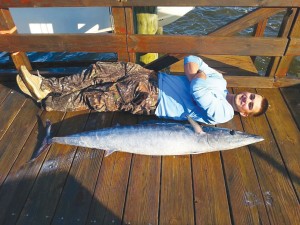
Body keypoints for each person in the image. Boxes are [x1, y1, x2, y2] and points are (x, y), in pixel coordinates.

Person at [16, 55, 268, 125]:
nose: (247, 99)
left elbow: (200, 90)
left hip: (152, 99)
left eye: (249, 104)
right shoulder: (222, 83)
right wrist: (197, 77)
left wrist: (197, 78)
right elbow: (193, 59)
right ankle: (46, 86)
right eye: (251, 96)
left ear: (244, 114)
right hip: (153, 76)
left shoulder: (223, 113)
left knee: (98, 97)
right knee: (100, 70)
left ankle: (50, 102)